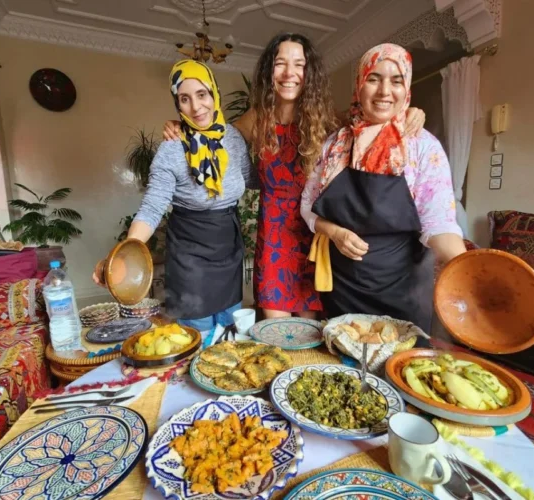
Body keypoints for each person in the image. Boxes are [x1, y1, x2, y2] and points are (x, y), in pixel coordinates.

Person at [163, 34, 426, 321]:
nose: (289, 73)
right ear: (269, 71)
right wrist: (180, 126)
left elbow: (374, 117)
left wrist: (411, 112)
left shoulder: (328, 120)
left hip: (315, 237)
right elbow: (212, 132)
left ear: (308, 72)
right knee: (275, 332)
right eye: (280, 64)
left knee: (310, 335)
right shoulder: (256, 118)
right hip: (273, 238)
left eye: (299, 64)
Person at [301, 43, 465, 334]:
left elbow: (439, 222)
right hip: (344, 289)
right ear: (359, 85)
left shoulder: (422, 146)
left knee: (398, 371)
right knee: (342, 369)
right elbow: (307, 206)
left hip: (403, 290)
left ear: (407, 88)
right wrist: (335, 232)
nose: (384, 91)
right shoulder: (336, 144)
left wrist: (467, 270)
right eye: (373, 78)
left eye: (396, 80)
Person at [94, 59, 257, 345]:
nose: (196, 107)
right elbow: (153, 206)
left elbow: (249, 178)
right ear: (177, 104)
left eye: (202, 94)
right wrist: (125, 252)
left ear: (214, 93)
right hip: (189, 253)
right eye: (185, 99)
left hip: (227, 247)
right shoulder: (171, 150)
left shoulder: (233, 139)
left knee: (230, 333)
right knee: (197, 335)